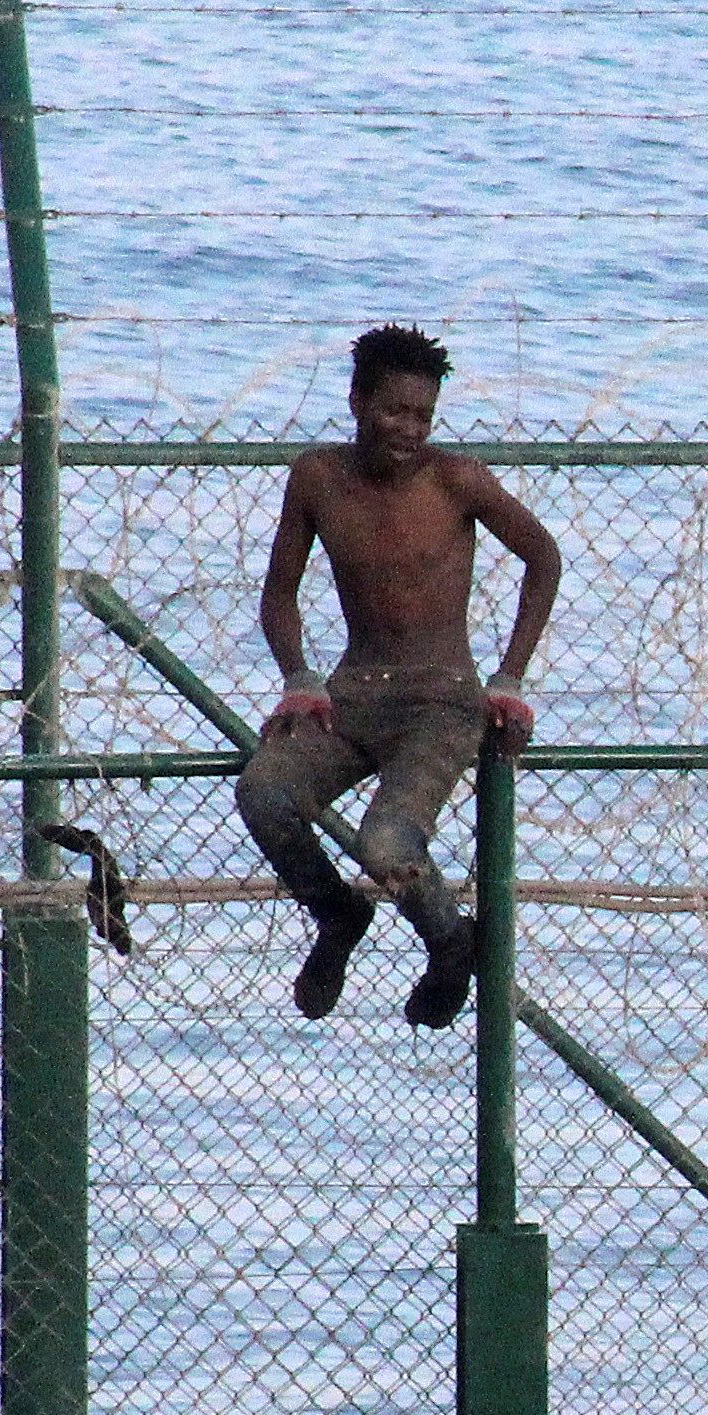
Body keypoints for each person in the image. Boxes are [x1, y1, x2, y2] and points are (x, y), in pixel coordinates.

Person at [234, 323, 563, 1029]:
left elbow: (544, 557)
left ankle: (451, 946)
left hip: (441, 703)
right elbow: (279, 594)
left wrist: (509, 677)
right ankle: (337, 916)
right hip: (351, 697)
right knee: (264, 792)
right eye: (394, 411)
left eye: (423, 415)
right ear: (357, 402)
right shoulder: (317, 477)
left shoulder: (457, 480)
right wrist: (300, 676)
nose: (408, 429)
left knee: (388, 842)